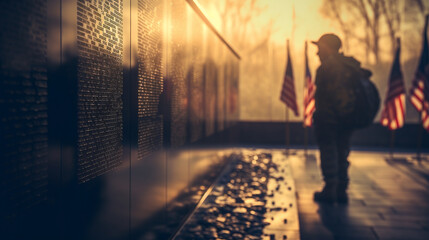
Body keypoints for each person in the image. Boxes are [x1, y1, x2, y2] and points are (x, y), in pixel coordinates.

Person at [311, 33, 370, 204]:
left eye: (320, 48)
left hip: (329, 119)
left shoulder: (327, 68)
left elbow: (325, 95)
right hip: (347, 118)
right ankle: (341, 188)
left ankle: (330, 188)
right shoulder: (349, 66)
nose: (317, 53)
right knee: (342, 151)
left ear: (327, 48)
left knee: (329, 151)